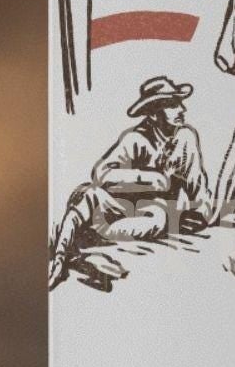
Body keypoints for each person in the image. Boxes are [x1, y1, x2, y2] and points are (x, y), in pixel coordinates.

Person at [48, 76, 210, 287]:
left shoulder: (186, 137)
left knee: (159, 218)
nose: (181, 109)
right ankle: (59, 259)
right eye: (171, 104)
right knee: (90, 196)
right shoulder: (136, 139)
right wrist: (154, 180)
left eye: (179, 102)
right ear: (153, 113)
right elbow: (102, 173)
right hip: (119, 205)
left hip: (151, 212)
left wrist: (202, 212)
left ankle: (94, 235)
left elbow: (195, 177)